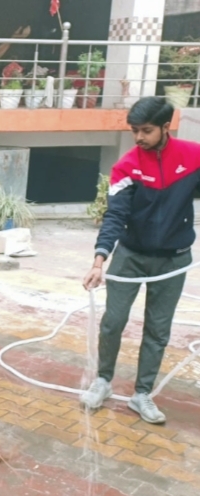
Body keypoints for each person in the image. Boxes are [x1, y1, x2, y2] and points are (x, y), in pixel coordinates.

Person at [80, 97, 200, 424]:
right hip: (131, 256)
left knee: (158, 330)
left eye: (146, 130)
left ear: (165, 126)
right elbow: (115, 215)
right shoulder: (127, 165)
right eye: (134, 131)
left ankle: (142, 394)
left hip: (174, 260)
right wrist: (99, 260)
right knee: (113, 321)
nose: (139, 137)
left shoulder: (193, 157)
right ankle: (103, 381)